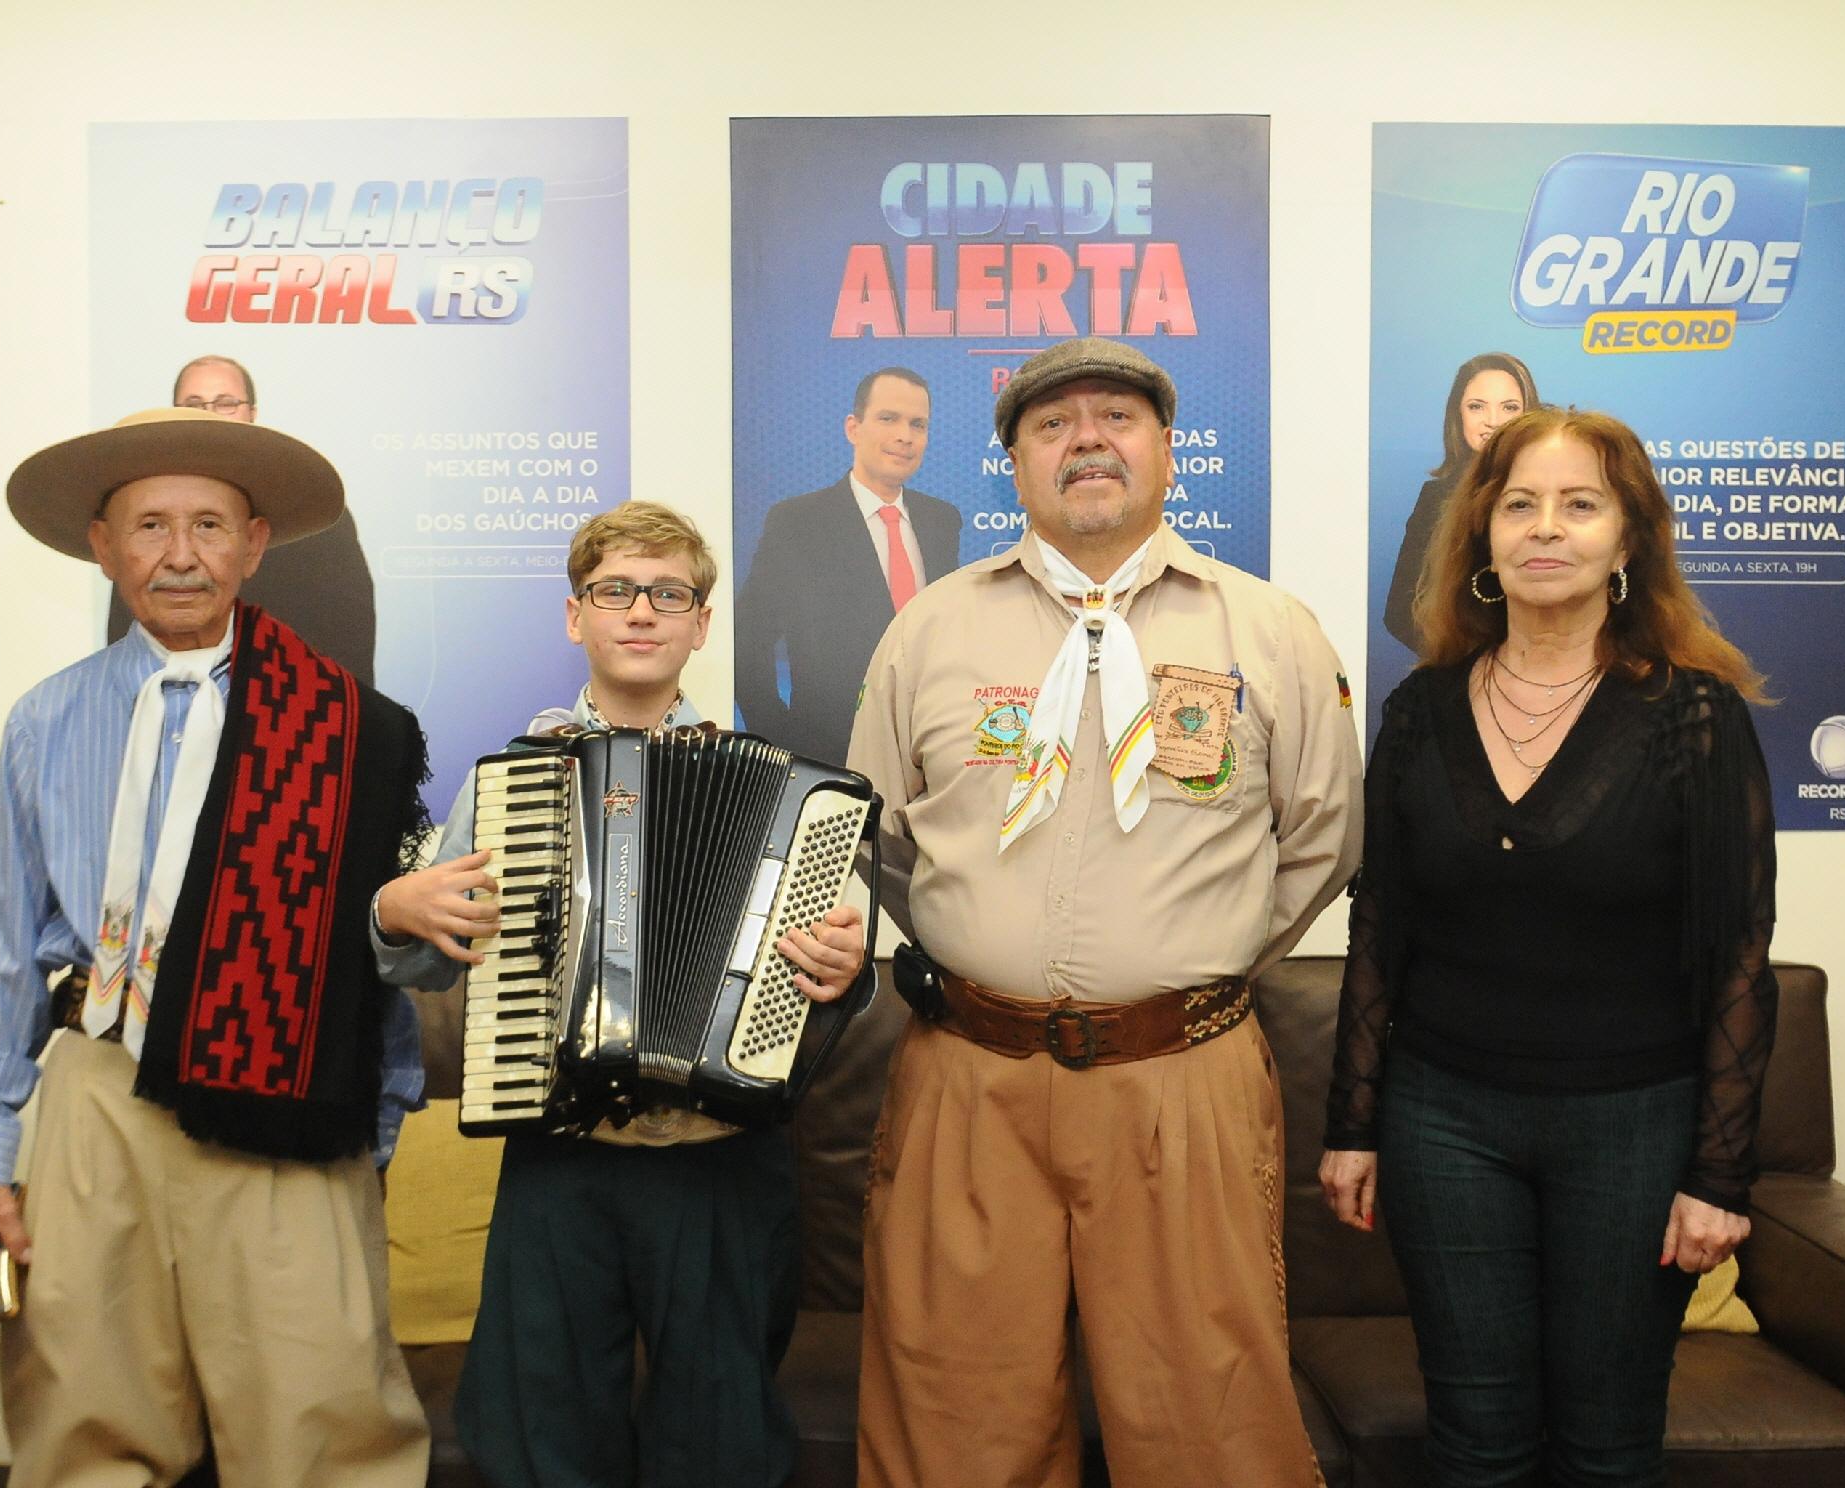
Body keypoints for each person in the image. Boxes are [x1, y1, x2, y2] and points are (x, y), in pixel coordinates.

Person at [845, 337, 1362, 1488]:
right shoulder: (929, 630)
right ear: (1013, 465)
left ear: (1166, 450)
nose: (1086, 439)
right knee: (953, 1420)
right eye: (1050, 424)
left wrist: (1189, 962)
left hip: (1180, 1078)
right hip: (967, 1080)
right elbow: (879, 841)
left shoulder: (1268, 631)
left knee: (1207, 1423)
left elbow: (1321, 843)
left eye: (1116, 417)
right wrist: (982, 942)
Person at [0, 407, 432, 1487]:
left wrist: (370, 1130)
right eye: (149, 524)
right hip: (94, 1102)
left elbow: (388, 962)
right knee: (82, 1422)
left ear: (254, 546)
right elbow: (2, 957)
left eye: (208, 525)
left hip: (278, 1104)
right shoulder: (44, 722)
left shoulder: (352, 729)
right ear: (101, 545)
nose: (179, 554)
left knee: (321, 1423)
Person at [1320, 406, 1778, 1486]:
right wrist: (1353, 1122)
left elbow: (1739, 955)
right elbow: (1380, 921)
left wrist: (1718, 1174)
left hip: (1635, 1127)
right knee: (1472, 1444)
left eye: (1579, 505)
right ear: (1479, 533)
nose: (1544, 528)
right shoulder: (1419, 710)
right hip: (1442, 1123)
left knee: (1606, 1446)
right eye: (1517, 504)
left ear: (1627, 539)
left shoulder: (1694, 718)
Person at [372, 501, 871, 1488]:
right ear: (576, 616)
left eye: (668, 594)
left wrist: (840, 972)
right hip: (558, 1156)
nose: (640, 613)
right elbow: (430, 963)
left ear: (699, 621)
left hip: (719, 1159)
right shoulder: (510, 779)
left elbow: (826, 976)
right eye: (615, 593)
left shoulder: (780, 792)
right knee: (540, 1428)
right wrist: (393, 911)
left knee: (720, 1437)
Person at [105, 354, 379, 683]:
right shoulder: (141, 508)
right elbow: (124, 632)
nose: (208, 416)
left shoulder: (310, 512)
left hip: (291, 706)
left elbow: (351, 633)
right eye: (193, 404)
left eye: (225, 403)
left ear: (252, 414)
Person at [735, 367, 959, 765]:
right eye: (888, 419)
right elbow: (749, 640)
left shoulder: (941, 521)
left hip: (931, 754)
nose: (904, 436)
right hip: (829, 759)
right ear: (853, 428)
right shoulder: (797, 521)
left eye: (918, 424)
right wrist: (779, 742)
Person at [1383, 352, 1539, 652]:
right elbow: (1400, 613)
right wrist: (1466, 664)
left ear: (1529, 414)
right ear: (1458, 415)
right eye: (1476, 406)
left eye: (1509, 407)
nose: (1493, 421)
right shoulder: (1436, 499)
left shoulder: (1554, 495)